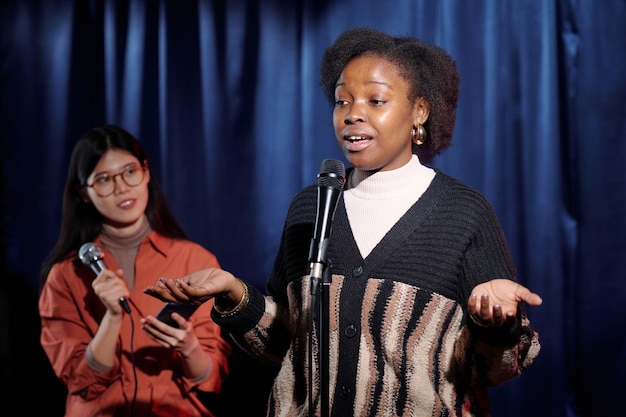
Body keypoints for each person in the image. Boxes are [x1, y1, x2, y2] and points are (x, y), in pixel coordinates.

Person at [143, 27, 542, 416]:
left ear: (419, 110)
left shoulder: (463, 212)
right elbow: (285, 343)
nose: (353, 115)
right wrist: (232, 292)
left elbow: (489, 370)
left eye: (376, 101)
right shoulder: (310, 207)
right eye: (342, 102)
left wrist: (495, 323)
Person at [38, 125, 232, 417]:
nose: (121, 187)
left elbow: (210, 378)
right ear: (84, 193)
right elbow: (80, 382)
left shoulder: (195, 259)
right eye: (104, 179)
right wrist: (112, 317)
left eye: (130, 171)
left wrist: (188, 345)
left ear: (146, 172)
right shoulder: (65, 275)